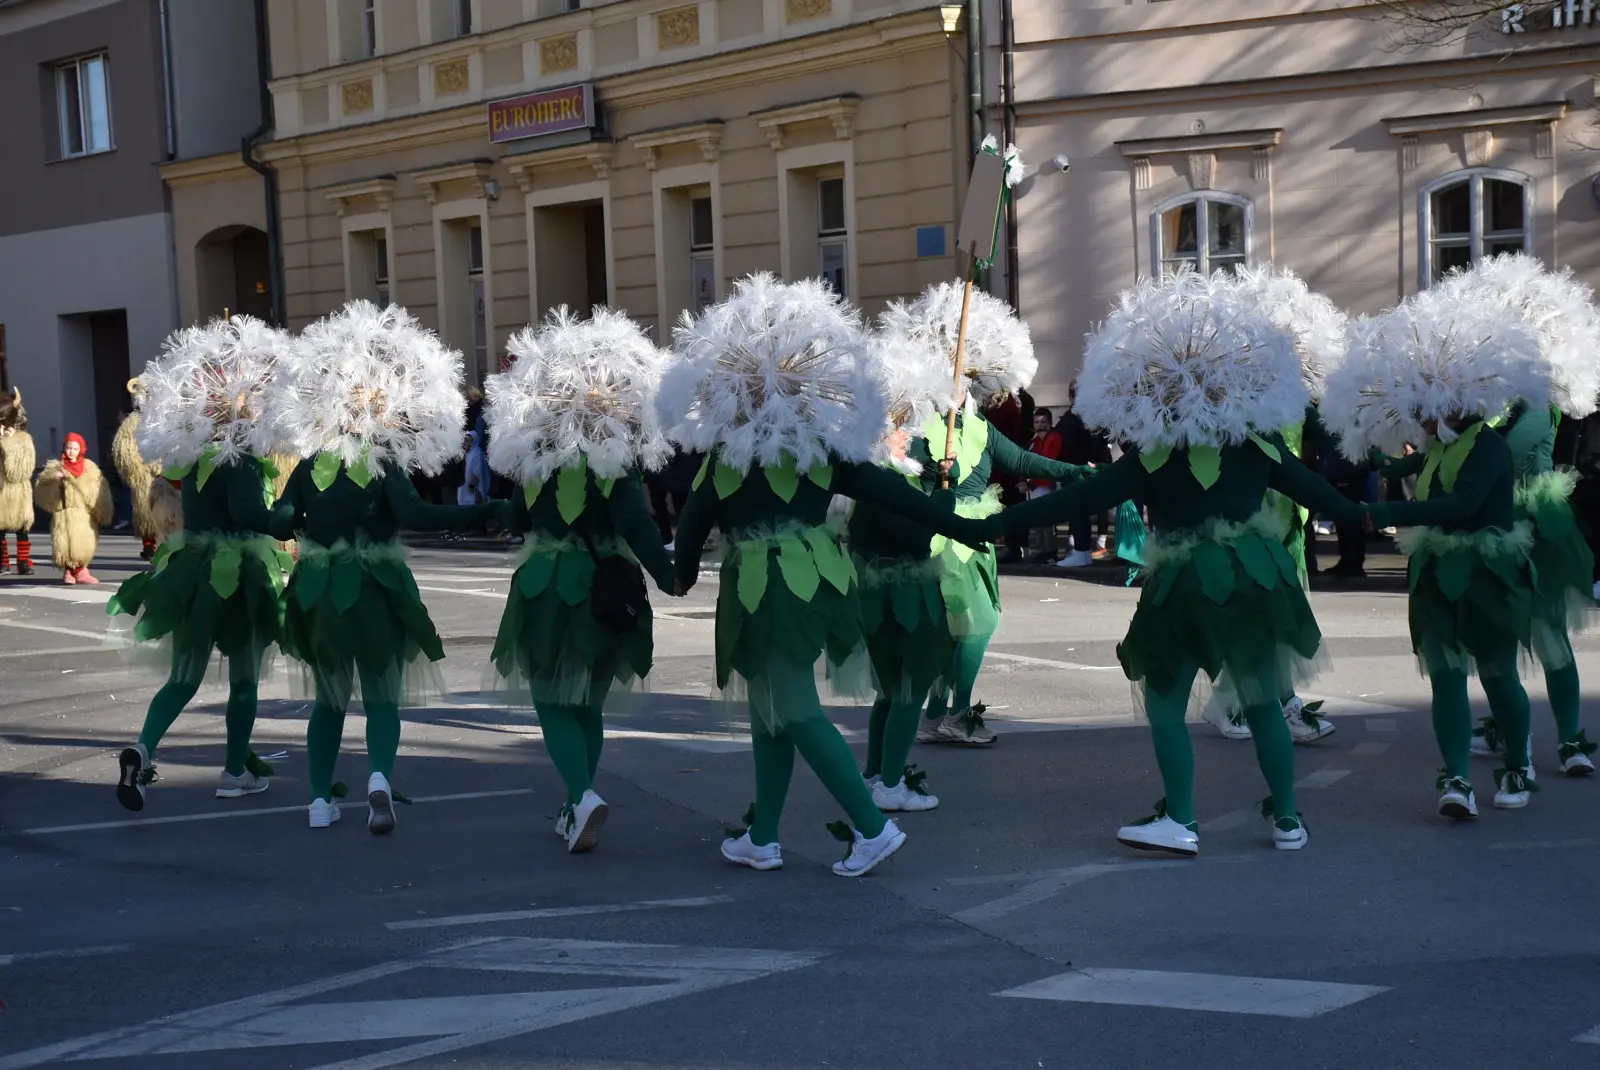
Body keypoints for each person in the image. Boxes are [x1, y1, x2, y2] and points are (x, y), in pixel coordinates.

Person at [974, 269, 1364, 855]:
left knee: (1165, 701)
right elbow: (1338, 503)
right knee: (1263, 702)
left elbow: (1077, 500)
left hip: (1185, 582)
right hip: (1257, 574)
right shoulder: (1260, 446)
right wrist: (1414, 509)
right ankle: (1287, 820)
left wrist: (985, 525)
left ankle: (1181, 819)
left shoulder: (1154, 456)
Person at [662, 274, 988, 877]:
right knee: (769, 715)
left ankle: (872, 828)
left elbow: (688, 535)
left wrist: (674, 578)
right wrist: (972, 525)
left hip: (763, 592)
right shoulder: (825, 454)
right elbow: (898, 494)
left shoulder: (723, 461)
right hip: (818, 587)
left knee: (794, 709)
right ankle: (762, 836)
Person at [265, 301, 499, 833]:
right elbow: (416, 515)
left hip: (320, 593)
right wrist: (481, 511)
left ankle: (319, 802)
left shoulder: (309, 465)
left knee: (328, 701)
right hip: (374, 589)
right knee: (381, 696)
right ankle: (377, 779)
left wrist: (276, 518)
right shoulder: (381, 461)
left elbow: (279, 522)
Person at [1324, 282, 1549, 817]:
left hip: (1487, 572)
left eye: (1425, 409)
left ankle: (1518, 763)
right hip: (1436, 572)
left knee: (1497, 675)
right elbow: (1409, 466)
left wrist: (1387, 512)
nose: (1420, 420)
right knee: (1446, 678)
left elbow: (1462, 506)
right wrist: (1372, 461)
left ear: (1454, 403)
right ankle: (1456, 779)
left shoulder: (1487, 446)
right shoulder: (1439, 445)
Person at [483, 307, 677, 853]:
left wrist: (492, 511)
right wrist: (670, 575)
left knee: (550, 699)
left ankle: (581, 796)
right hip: (606, 590)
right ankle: (577, 804)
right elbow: (639, 525)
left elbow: (516, 518)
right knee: (589, 703)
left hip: (547, 587)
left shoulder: (537, 456)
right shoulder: (618, 460)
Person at [878, 282, 1090, 747]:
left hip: (977, 538)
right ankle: (954, 713)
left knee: (959, 630)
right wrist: (930, 471)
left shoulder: (978, 428)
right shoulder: (920, 429)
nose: (961, 388)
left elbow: (1024, 461)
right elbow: (896, 475)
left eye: (965, 381)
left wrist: (1075, 471)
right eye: (952, 380)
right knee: (974, 625)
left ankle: (937, 713)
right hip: (940, 538)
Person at [108, 315, 291, 810]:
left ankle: (143, 750)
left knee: (183, 677)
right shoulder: (242, 461)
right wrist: (292, 517)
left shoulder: (197, 460)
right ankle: (233, 772)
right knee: (245, 680)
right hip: (240, 575)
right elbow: (252, 516)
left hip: (193, 569)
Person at [851, 332, 959, 813]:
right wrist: (944, 501)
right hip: (902, 600)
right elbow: (916, 536)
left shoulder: (869, 477)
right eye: (901, 429)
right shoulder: (884, 480)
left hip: (880, 599)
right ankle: (891, 784)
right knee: (907, 692)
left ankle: (875, 774)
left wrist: (936, 487)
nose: (908, 435)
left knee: (889, 693)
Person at [113, 382, 181, 560]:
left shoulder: (165, 418)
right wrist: (138, 469)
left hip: (166, 471)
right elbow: (124, 449)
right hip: (144, 475)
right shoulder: (133, 422)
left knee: (170, 510)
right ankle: (150, 545)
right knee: (146, 510)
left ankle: (170, 543)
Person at [35, 432, 113, 584]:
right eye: (68, 448)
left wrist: (100, 509)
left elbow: (99, 489)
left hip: (83, 513)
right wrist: (54, 479)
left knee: (82, 543)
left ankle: (78, 570)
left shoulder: (90, 468)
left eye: (75, 449)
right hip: (64, 513)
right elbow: (42, 488)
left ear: (81, 450)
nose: (71, 451)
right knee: (65, 545)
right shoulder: (55, 467)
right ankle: (72, 571)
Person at [1056, 381, 1113, 566]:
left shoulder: (1079, 416)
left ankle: (1082, 551)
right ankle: (1082, 551)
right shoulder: (1085, 415)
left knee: (1081, 509)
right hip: (1083, 467)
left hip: (1081, 468)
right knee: (1081, 510)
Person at [0, 388, 36, 576]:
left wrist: (7, 444)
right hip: (1, 489)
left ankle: (23, 562)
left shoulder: (23, 440)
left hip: (18, 489)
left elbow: (23, 469)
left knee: (22, 529)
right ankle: (3, 562)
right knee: (0, 529)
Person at [1022, 407, 1063, 562]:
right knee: (1036, 522)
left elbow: (1047, 464)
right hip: (1034, 486)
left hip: (1045, 485)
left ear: (1050, 423)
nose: (1040, 425)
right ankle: (1040, 552)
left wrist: (1030, 484)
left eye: (1043, 422)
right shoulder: (1035, 440)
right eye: (1037, 422)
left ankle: (1050, 553)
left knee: (1046, 523)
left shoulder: (1053, 438)